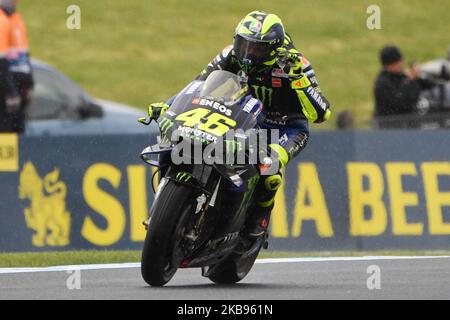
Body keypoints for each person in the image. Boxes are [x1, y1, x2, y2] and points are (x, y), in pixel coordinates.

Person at [148, 11, 331, 245]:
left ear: (273, 49)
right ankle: (171, 204)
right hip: (246, 119)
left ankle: (257, 225)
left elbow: (322, 114)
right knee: (184, 140)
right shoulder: (231, 54)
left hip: (286, 128)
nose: (248, 53)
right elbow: (198, 85)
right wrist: (169, 106)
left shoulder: (296, 64)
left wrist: (299, 81)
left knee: (268, 169)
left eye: (256, 48)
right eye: (244, 44)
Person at [374, 45, 434, 118]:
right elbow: (400, 103)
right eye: (398, 62)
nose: (401, 64)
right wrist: (411, 80)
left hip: (406, 123)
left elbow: (429, 85)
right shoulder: (382, 83)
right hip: (389, 125)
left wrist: (420, 75)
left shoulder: (401, 75)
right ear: (388, 65)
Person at [0, 0, 33, 133]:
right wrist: (10, 92)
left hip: (19, 89)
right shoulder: (2, 20)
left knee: (18, 133)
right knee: (6, 133)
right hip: (6, 91)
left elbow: (23, 55)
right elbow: (1, 60)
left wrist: (29, 84)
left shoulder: (16, 19)